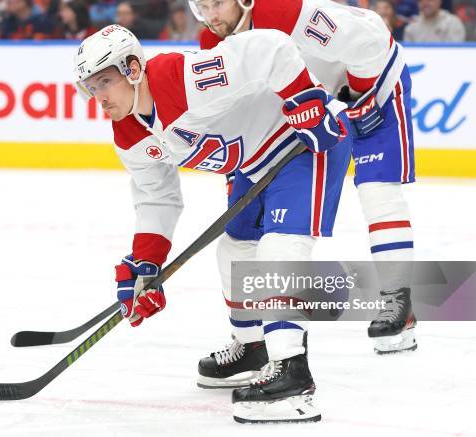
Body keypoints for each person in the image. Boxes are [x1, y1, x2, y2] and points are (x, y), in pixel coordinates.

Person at [75, 24, 352, 423]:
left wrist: (305, 102)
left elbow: (270, 48)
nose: (98, 96)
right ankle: (253, 347)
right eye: (90, 86)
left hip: (303, 141)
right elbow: (157, 196)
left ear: (133, 68)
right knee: (234, 250)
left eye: (105, 81)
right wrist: (145, 263)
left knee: (279, 250)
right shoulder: (128, 132)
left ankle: (293, 375)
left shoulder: (181, 79)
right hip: (255, 163)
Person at [190, 0, 419, 358]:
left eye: (218, 3)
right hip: (319, 103)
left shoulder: (285, 12)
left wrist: (358, 99)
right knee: (246, 235)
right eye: (203, 7)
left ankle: (397, 300)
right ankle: (262, 337)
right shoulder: (214, 44)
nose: (211, 16)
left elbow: (366, 41)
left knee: (376, 188)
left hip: (373, 78)